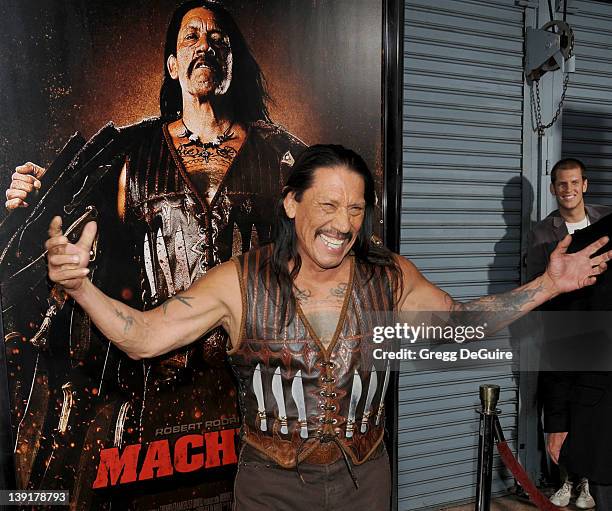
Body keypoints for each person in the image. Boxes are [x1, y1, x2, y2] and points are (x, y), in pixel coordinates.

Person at [44, 144, 612, 510]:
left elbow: (458, 326)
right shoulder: (237, 281)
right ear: (292, 203)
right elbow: (143, 336)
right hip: (271, 490)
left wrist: (548, 287)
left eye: (358, 209)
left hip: (365, 483)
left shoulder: (389, 275)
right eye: (330, 205)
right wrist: (80, 287)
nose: (344, 224)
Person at [4, 0, 304, 507]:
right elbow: (60, 243)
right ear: (171, 65)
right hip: (157, 398)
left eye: (217, 37)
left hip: (255, 396)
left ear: (232, 61)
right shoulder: (129, 155)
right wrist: (28, 202)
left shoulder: (282, 156)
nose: (205, 45)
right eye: (191, 37)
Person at [526, 158, 612, 509]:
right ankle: (573, 479)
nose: (569, 189)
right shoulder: (565, 240)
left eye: (575, 182)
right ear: (554, 188)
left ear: (585, 185)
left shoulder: (601, 216)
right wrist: (557, 417)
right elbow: (557, 323)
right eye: (562, 183)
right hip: (593, 388)